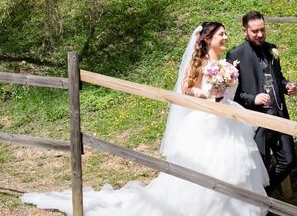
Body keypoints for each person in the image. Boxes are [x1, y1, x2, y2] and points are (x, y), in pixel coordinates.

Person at [22, 21, 268, 215]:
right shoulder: (201, 63)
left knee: (236, 166)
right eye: (221, 35)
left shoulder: (225, 63)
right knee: (208, 168)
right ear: (207, 39)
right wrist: (204, 92)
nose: (225, 38)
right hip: (206, 122)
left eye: (225, 34)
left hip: (227, 118)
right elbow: (187, 90)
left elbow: (227, 89)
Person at [227, 10, 297, 195]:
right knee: (261, 165)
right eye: (255, 31)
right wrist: (253, 99)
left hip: (280, 115)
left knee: (289, 160)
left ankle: (264, 194)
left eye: (262, 30)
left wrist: (286, 86)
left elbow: (278, 77)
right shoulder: (235, 55)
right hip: (257, 121)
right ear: (245, 31)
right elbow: (233, 94)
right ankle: (261, 205)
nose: (260, 35)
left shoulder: (272, 49)